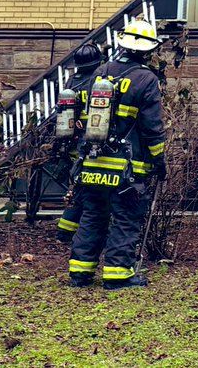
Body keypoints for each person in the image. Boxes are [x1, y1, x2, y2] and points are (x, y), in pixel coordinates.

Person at [68, 20, 166, 289]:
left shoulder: (101, 72)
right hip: (128, 168)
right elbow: (152, 127)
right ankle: (117, 274)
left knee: (93, 216)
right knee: (125, 218)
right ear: (146, 51)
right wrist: (159, 161)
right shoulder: (146, 78)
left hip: (92, 162)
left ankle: (80, 272)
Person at [54, 42, 105, 242]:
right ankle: (66, 232)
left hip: (75, 141)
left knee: (78, 184)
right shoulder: (99, 82)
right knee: (85, 188)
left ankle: (66, 230)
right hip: (93, 141)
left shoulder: (71, 82)